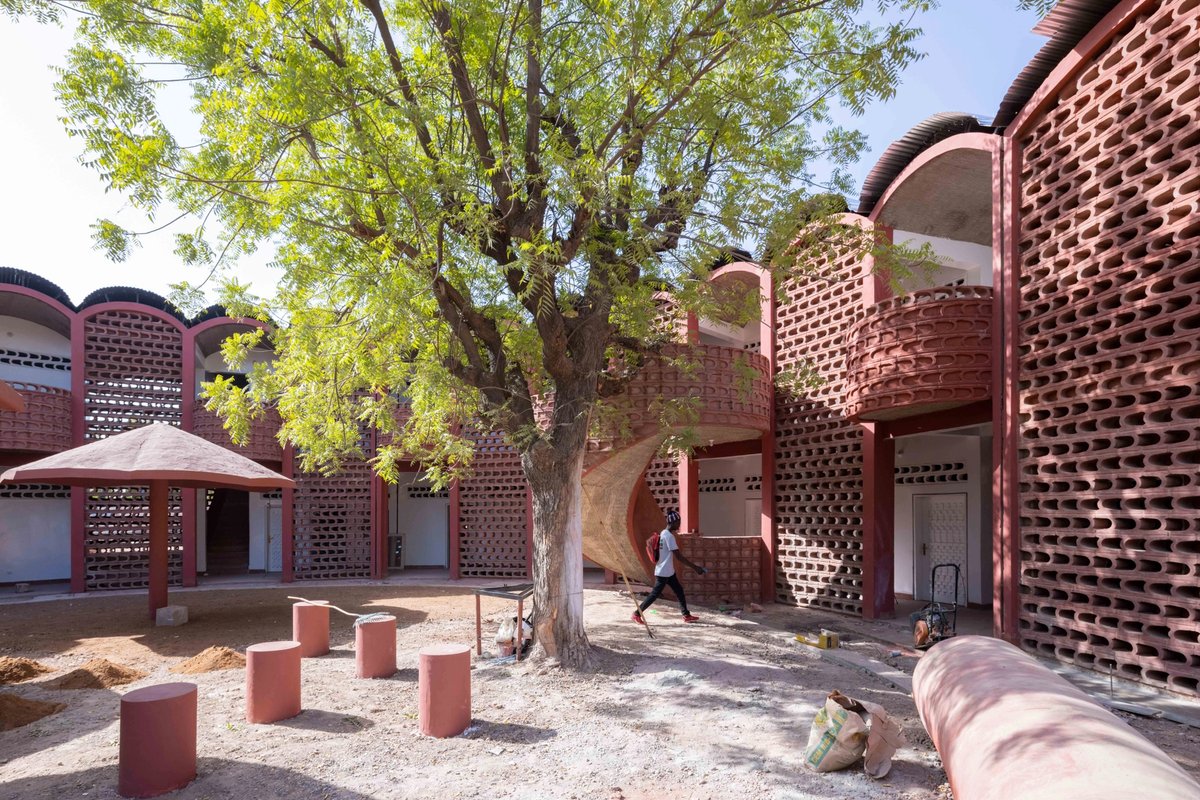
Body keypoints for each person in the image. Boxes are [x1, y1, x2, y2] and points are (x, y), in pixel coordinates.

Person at [632, 509, 707, 625]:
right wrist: (696, 568)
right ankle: (636, 614)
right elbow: (679, 557)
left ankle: (686, 615)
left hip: (668, 571)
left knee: (679, 591)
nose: (679, 524)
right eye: (678, 522)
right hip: (663, 572)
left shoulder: (663, 533)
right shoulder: (670, 537)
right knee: (654, 595)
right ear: (673, 522)